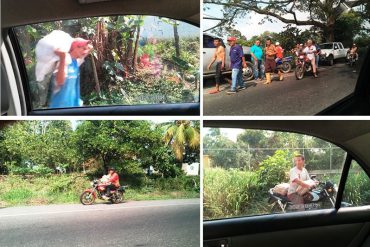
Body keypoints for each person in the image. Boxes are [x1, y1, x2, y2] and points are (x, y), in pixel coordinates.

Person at [49, 38, 93, 108]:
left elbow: (91, 47)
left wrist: (72, 41)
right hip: (59, 109)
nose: (85, 51)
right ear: (75, 48)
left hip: (72, 107)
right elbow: (59, 82)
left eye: (86, 49)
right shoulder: (64, 61)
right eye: (83, 48)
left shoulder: (76, 61)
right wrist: (62, 57)